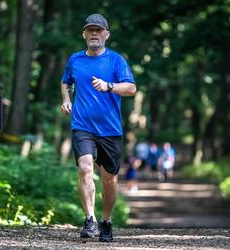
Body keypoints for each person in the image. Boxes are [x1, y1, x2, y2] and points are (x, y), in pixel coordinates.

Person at [60, 13, 136, 242]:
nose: (94, 34)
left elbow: (131, 89)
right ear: (84, 34)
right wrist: (66, 98)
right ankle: (90, 219)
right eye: (90, 30)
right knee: (85, 167)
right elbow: (66, 81)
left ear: (106, 34)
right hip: (82, 125)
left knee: (109, 179)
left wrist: (109, 86)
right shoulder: (75, 60)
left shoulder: (116, 61)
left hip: (110, 130)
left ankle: (106, 221)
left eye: (98, 30)